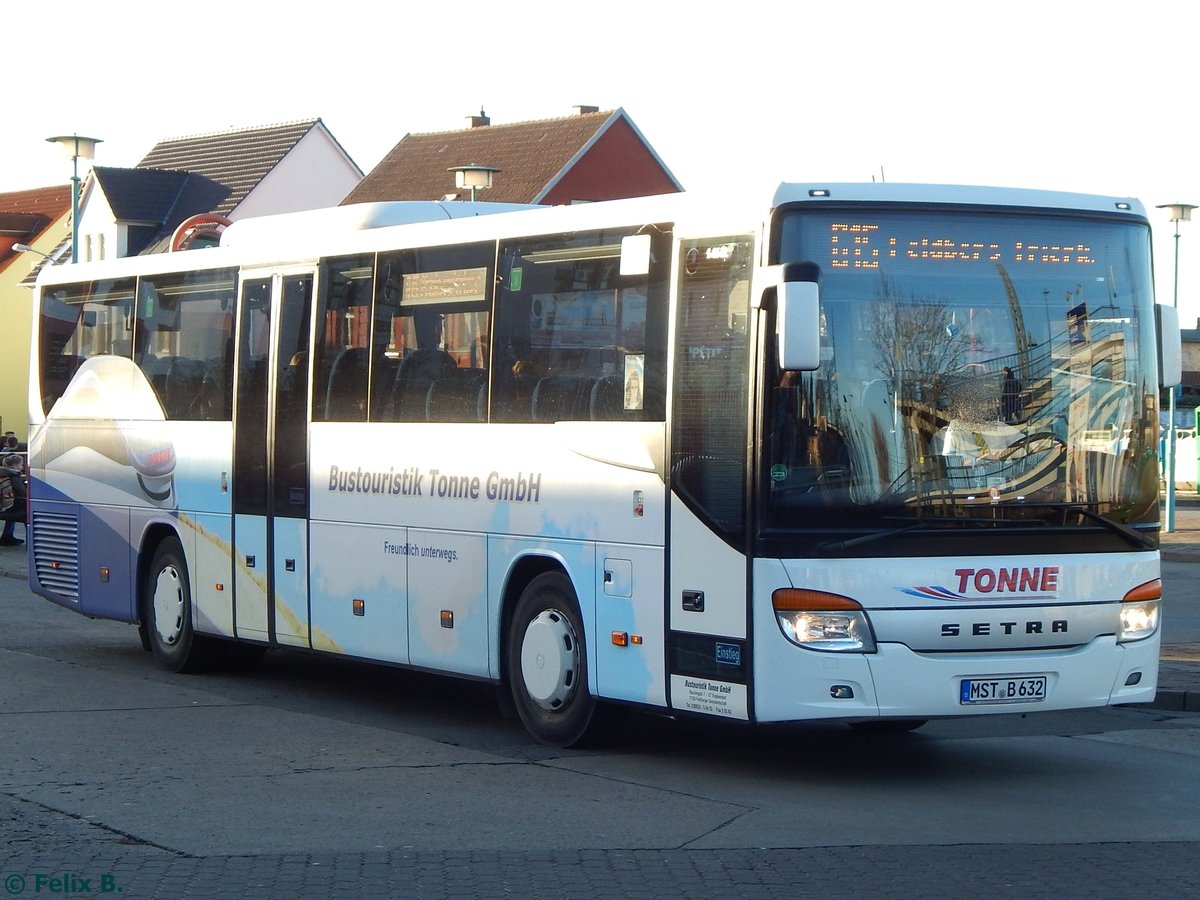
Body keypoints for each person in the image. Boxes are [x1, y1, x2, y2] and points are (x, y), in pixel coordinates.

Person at [1, 453, 26, 546]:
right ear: (14, 465)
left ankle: (7, 536)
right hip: (6, 507)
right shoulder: (13, 476)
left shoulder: (2, 473)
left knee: (14, 506)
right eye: (21, 464)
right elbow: (24, 493)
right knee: (26, 511)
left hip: (2, 505)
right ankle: (32, 539)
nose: (22, 467)